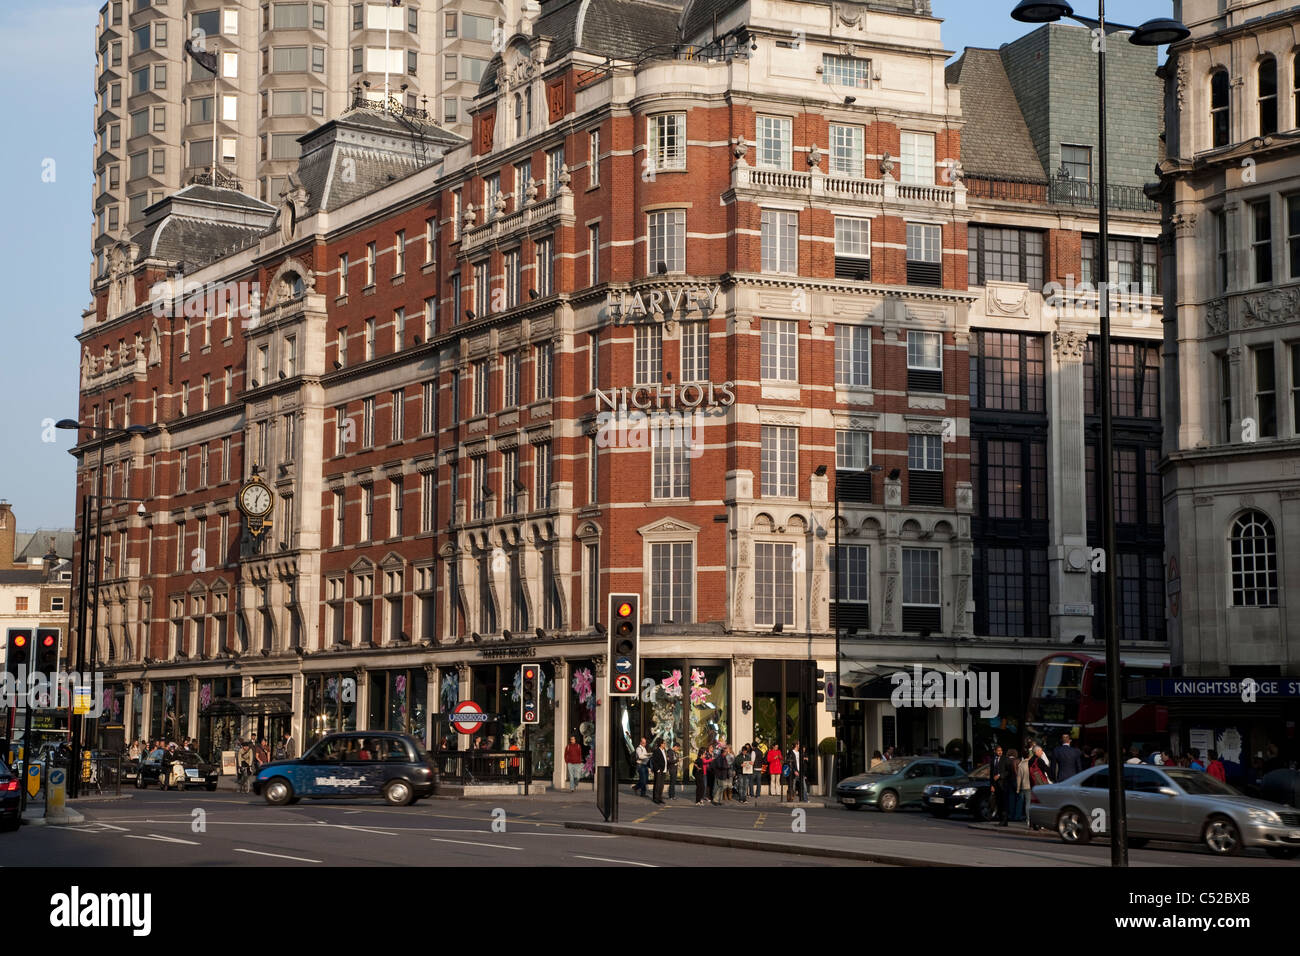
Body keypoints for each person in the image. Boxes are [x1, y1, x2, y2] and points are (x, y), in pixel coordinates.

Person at [996, 748, 1018, 826]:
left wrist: (1001, 776)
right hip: (1014, 782)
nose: (1000, 752)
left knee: (1009, 799)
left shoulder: (1006, 760)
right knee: (1018, 799)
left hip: (1008, 783)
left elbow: (1008, 772)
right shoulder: (1017, 760)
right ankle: (1015, 815)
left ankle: (1009, 816)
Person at [1014, 745, 1031, 823]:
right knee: (1028, 803)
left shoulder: (1021, 765)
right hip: (1031, 785)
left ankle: (1017, 816)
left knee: (1020, 801)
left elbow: (1019, 777)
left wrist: (1018, 788)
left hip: (1023, 786)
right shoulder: (1032, 763)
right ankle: (1028, 819)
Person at [651, 740, 669, 804]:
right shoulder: (656, 751)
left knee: (661, 785)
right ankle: (655, 798)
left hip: (664, 770)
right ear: (661, 744)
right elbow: (654, 761)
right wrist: (657, 769)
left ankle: (659, 798)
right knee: (657, 785)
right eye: (664, 743)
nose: (665, 744)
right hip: (659, 770)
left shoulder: (664, 751)